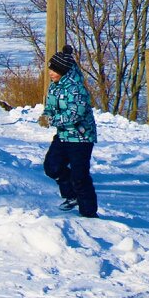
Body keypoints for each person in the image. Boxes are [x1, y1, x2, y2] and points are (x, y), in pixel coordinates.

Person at [42, 44, 99, 218]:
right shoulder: (55, 86)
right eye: (50, 69)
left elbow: (75, 115)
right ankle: (71, 195)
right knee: (52, 167)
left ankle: (89, 213)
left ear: (64, 70)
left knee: (80, 176)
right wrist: (46, 115)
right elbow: (50, 106)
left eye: (54, 70)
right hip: (63, 135)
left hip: (81, 138)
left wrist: (53, 120)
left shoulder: (77, 89)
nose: (51, 73)